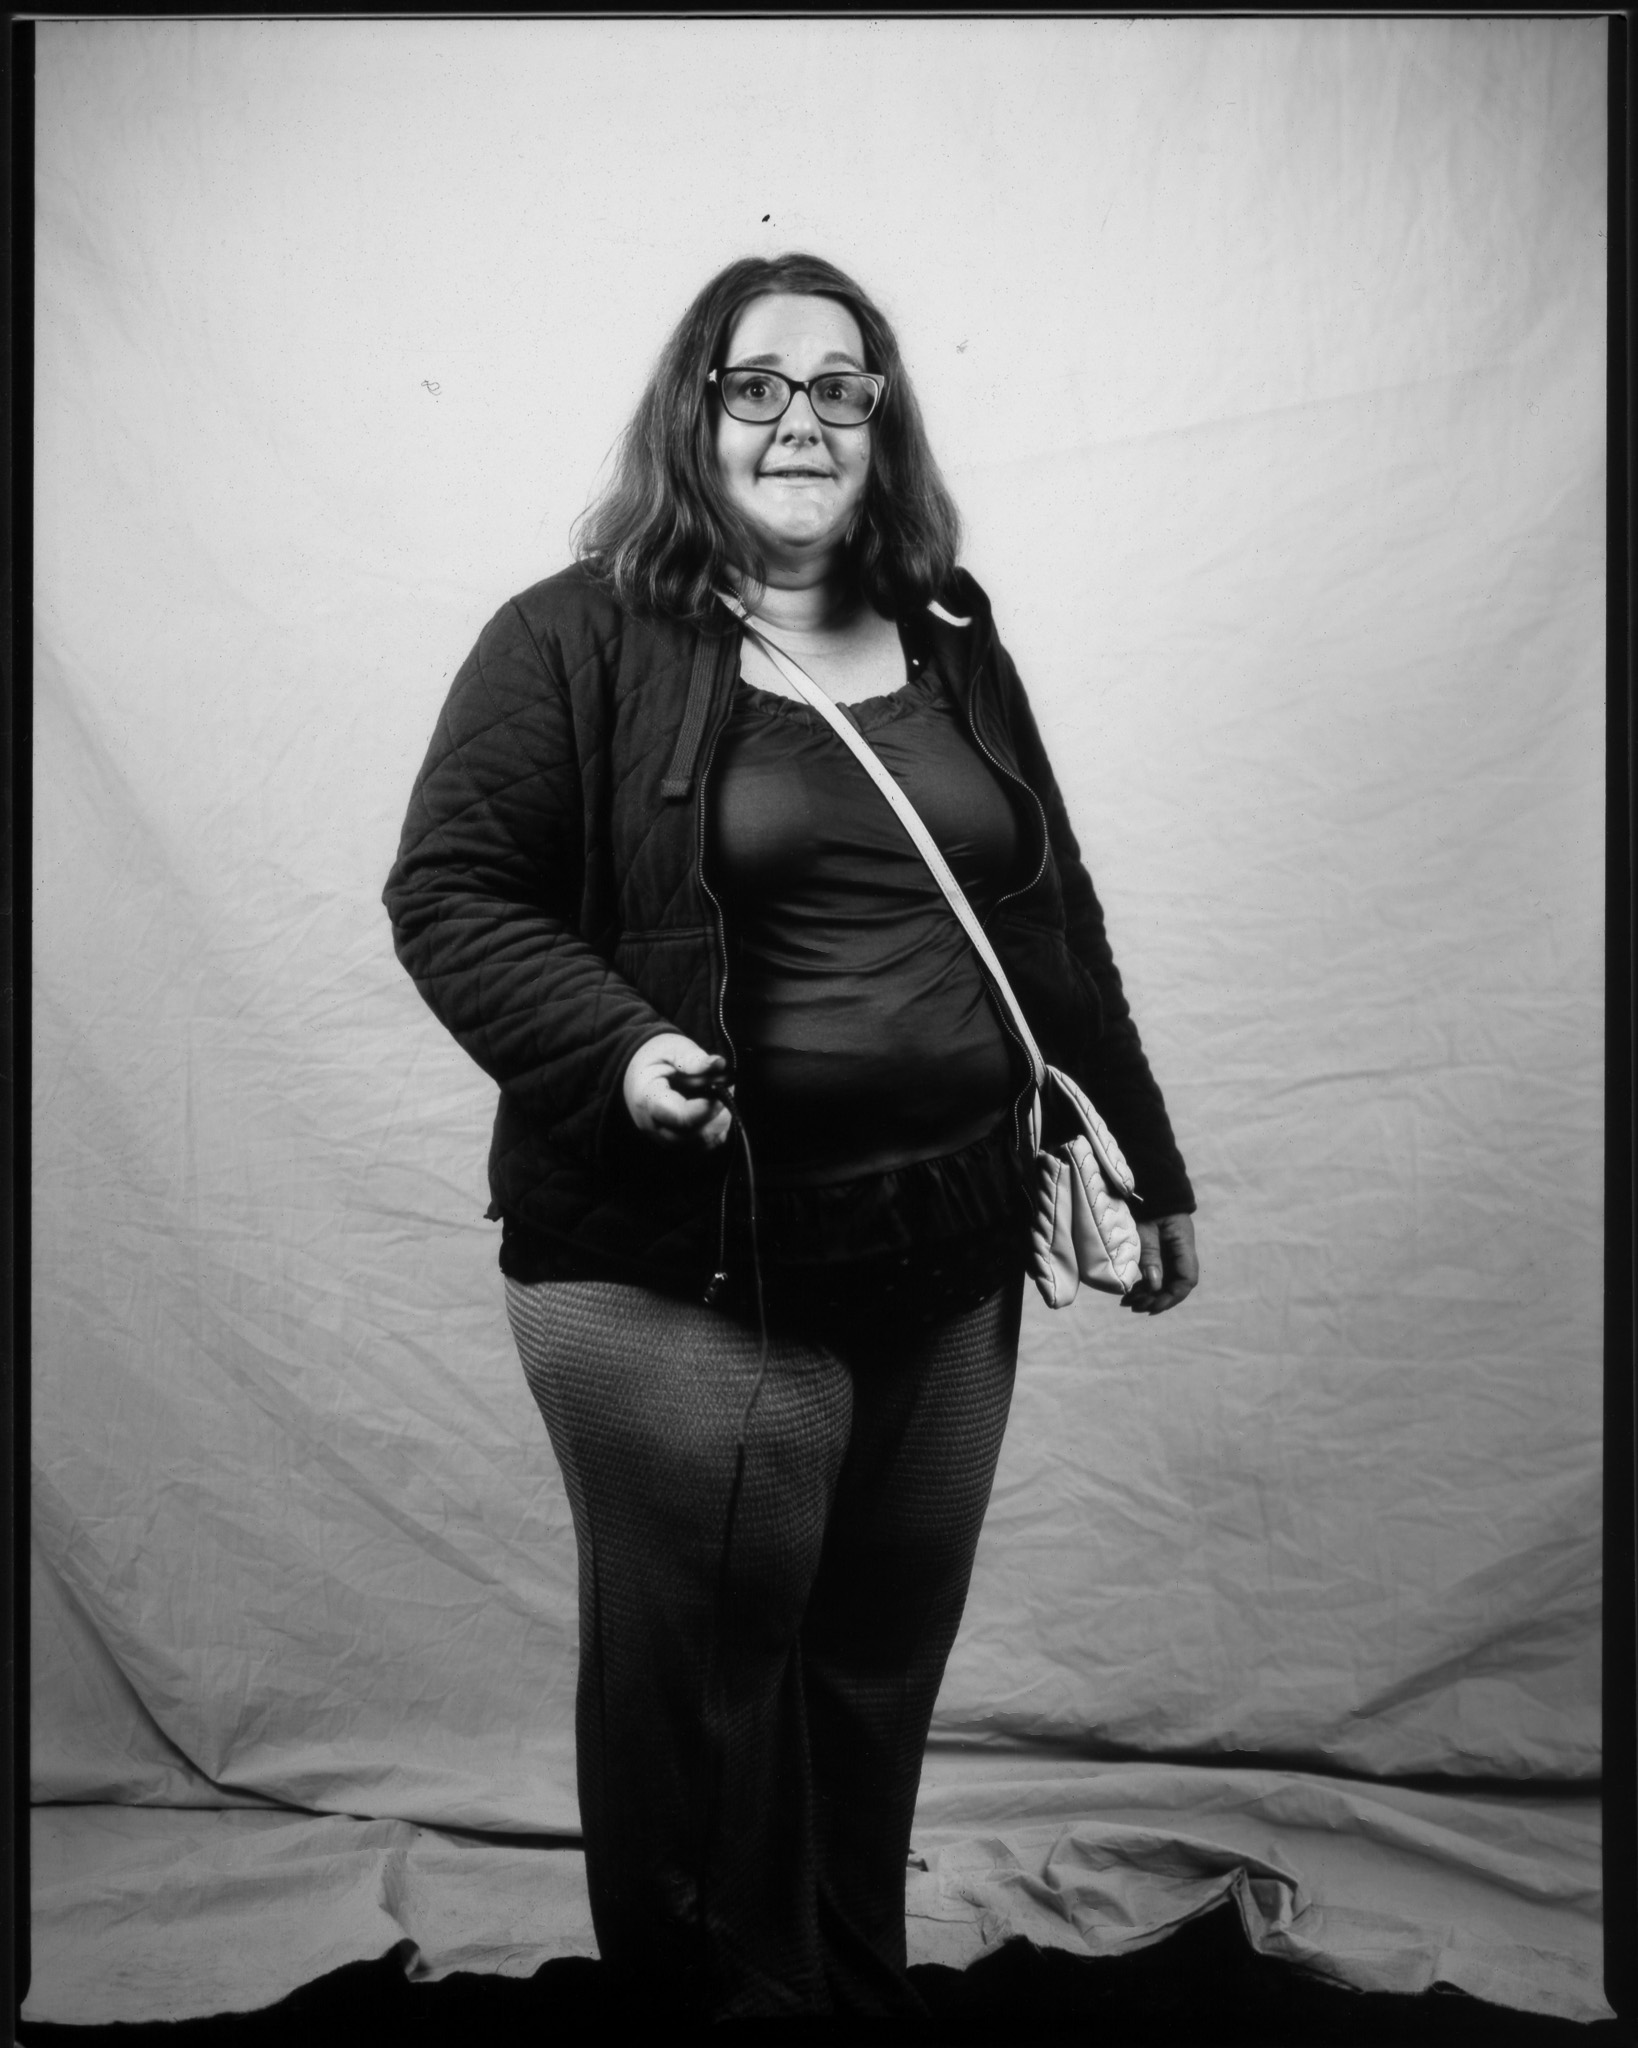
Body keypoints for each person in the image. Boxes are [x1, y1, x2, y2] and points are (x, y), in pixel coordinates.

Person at [383, 251, 1198, 2023]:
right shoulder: (568, 637)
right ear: (694, 414)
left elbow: (1050, 914)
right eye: (755, 385)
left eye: (840, 387)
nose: (800, 421)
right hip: (677, 1276)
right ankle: (710, 2011)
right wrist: (620, 1049)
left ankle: (846, 1992)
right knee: (704, 1690)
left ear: (880, 423)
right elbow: (449, 893)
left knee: (874, 1670)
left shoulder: (952, 632)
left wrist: (1145, 1160)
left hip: (949, 1258)